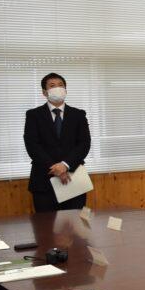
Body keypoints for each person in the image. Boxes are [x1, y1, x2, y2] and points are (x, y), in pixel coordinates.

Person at [23, 73, 92, 212]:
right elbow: (32, 145)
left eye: (61, 85)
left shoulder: (78, 114)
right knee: (45, 224)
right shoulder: (33, 115)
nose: (57, 88)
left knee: (76, 223)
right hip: (43, 180)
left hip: (74, 179)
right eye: (52, 85)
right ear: (44, 92)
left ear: (66, 90)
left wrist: (65, 165)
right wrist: (56, 168)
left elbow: (84, 143)